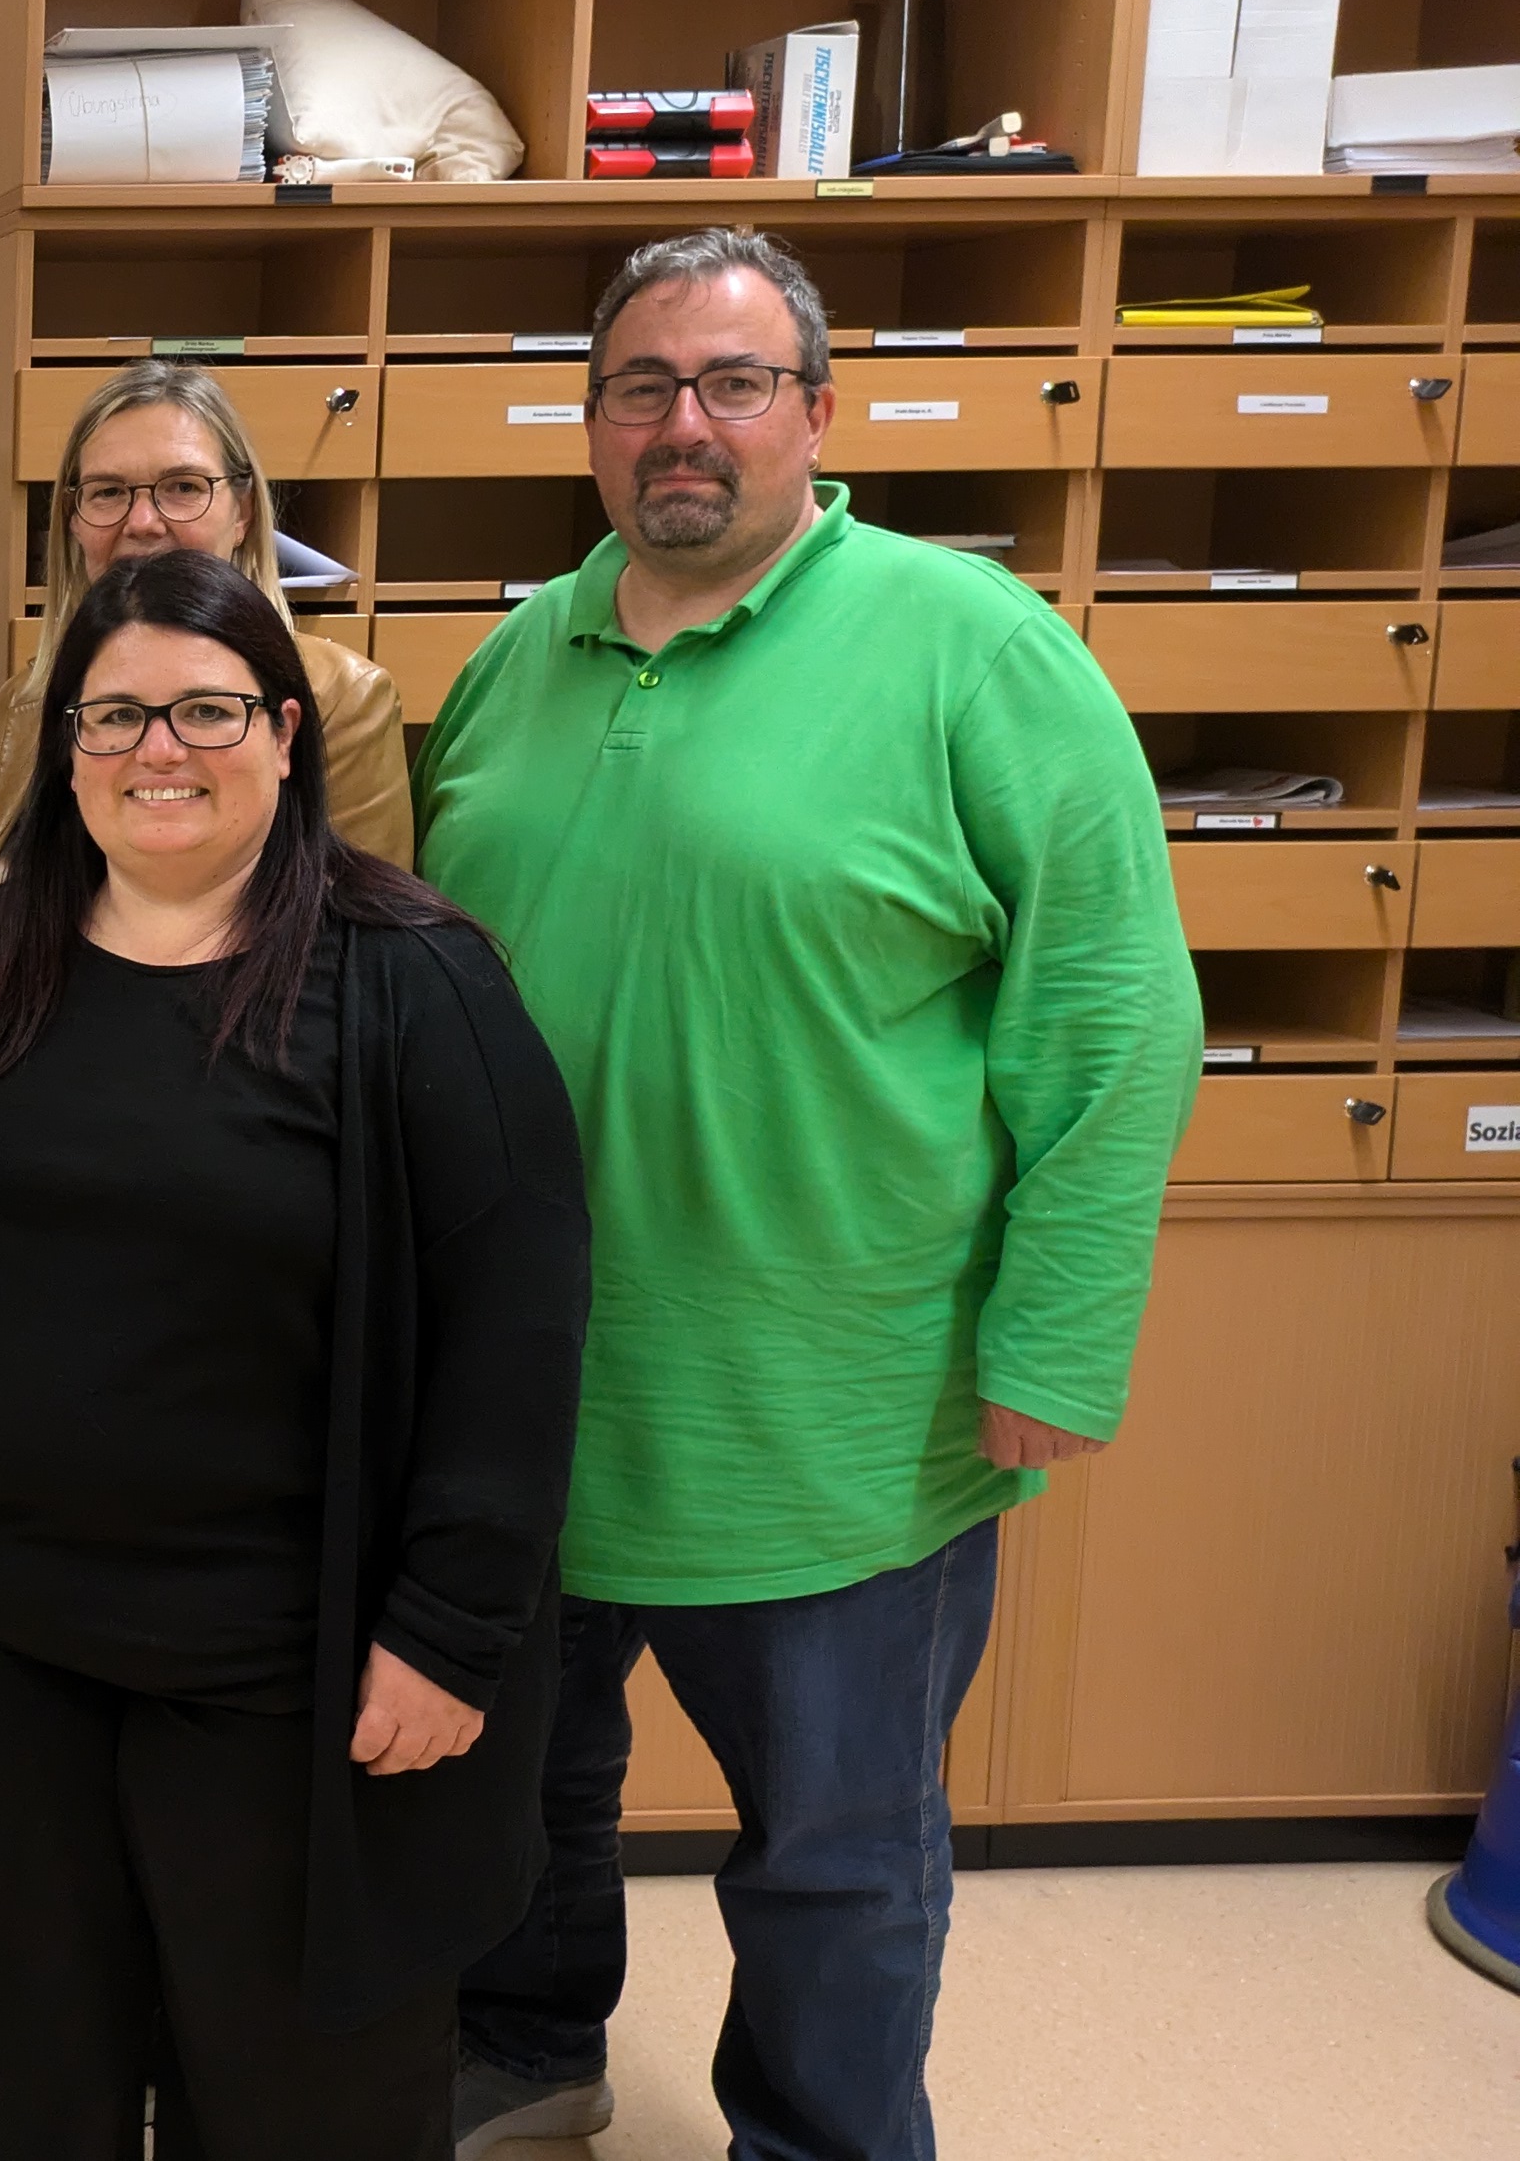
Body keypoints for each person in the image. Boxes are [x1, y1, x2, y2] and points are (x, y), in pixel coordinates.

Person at [417, 228, 1202, 2161]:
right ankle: (529, 2048)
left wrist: (1054, 1336)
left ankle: (824, 2136)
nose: (680, 425)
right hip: (537, 1394)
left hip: (837, 1405)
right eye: (637, 386)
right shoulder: (523, 651)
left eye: (731, 382)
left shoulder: (973, 649)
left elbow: (1114, 1013)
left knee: (838, 1852)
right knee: (521, 1789)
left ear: (816, 414)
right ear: (588, 422)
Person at [0, 548, 588, 2158]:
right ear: (66, 749)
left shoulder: (415, 981)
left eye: (207, 709)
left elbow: (516, 1330)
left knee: (302, 2096)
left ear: (288, 736)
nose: (160, 750)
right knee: (31, 2084)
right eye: (116, 717)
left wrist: (453, 1630)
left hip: (289, 1676)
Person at [0, 360, 409, 884]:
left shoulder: (342, 700)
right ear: (74, 522)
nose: (143, 523)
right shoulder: (25, 703)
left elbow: (353, 939)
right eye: (107, 492)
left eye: (183, 486)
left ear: (242, 513)